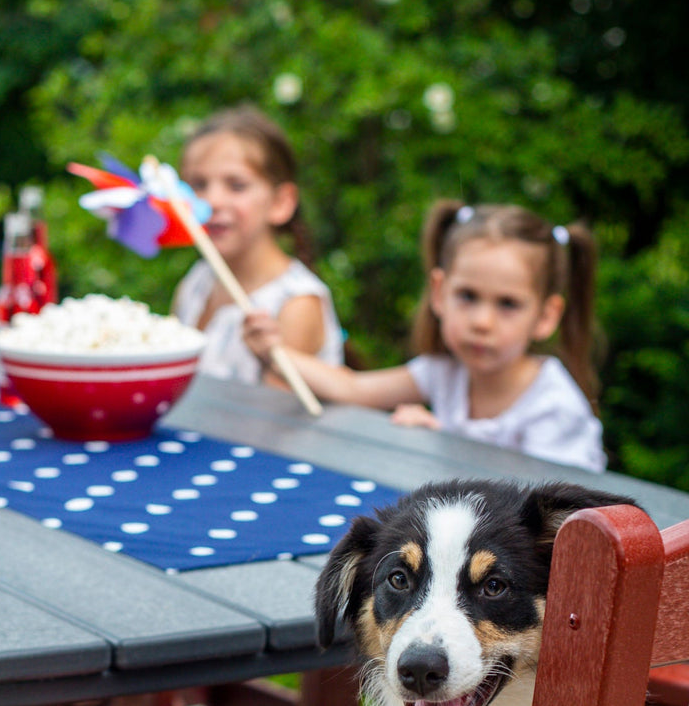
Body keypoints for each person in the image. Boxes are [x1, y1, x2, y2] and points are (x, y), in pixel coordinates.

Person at [244, 199, 606, 472]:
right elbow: (354, 389)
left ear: (545, 316)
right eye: (468, 296)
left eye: (508, 304)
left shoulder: (552, 406)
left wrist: (441, 445)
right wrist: (275, 350)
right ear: (439, 293)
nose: (482, 321)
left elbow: (553, 517)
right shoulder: (444, 372)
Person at [172, 105, 343, 385]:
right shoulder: (196, 282)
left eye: (236, 185)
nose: (211, 201)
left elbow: (270, 419)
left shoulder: (296, 303)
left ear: (280, 202)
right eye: (198, 184)